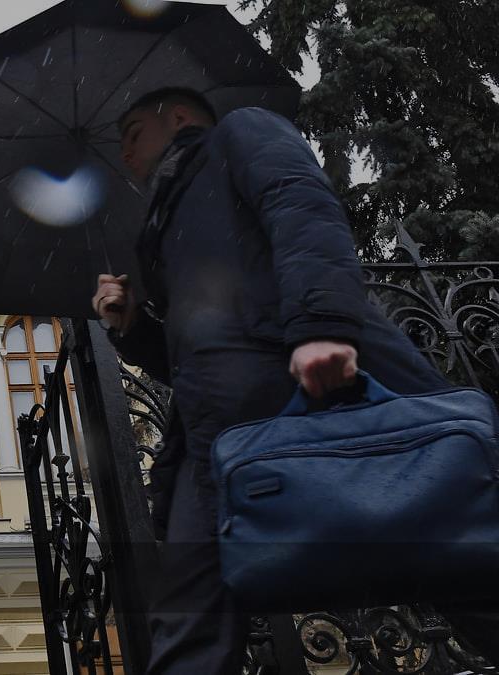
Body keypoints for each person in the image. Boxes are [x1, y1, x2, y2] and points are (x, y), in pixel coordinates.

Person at [92, 87, 499, 674]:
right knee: (187, 617)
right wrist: (131, 327)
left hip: (320, 383)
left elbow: (301, 208)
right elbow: (198, 355)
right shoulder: (161, 226)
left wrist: (322, 327)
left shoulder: (240, 133)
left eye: (133, 134)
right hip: (215, 439)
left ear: (177, 117)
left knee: (457, 555)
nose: (125, 154)